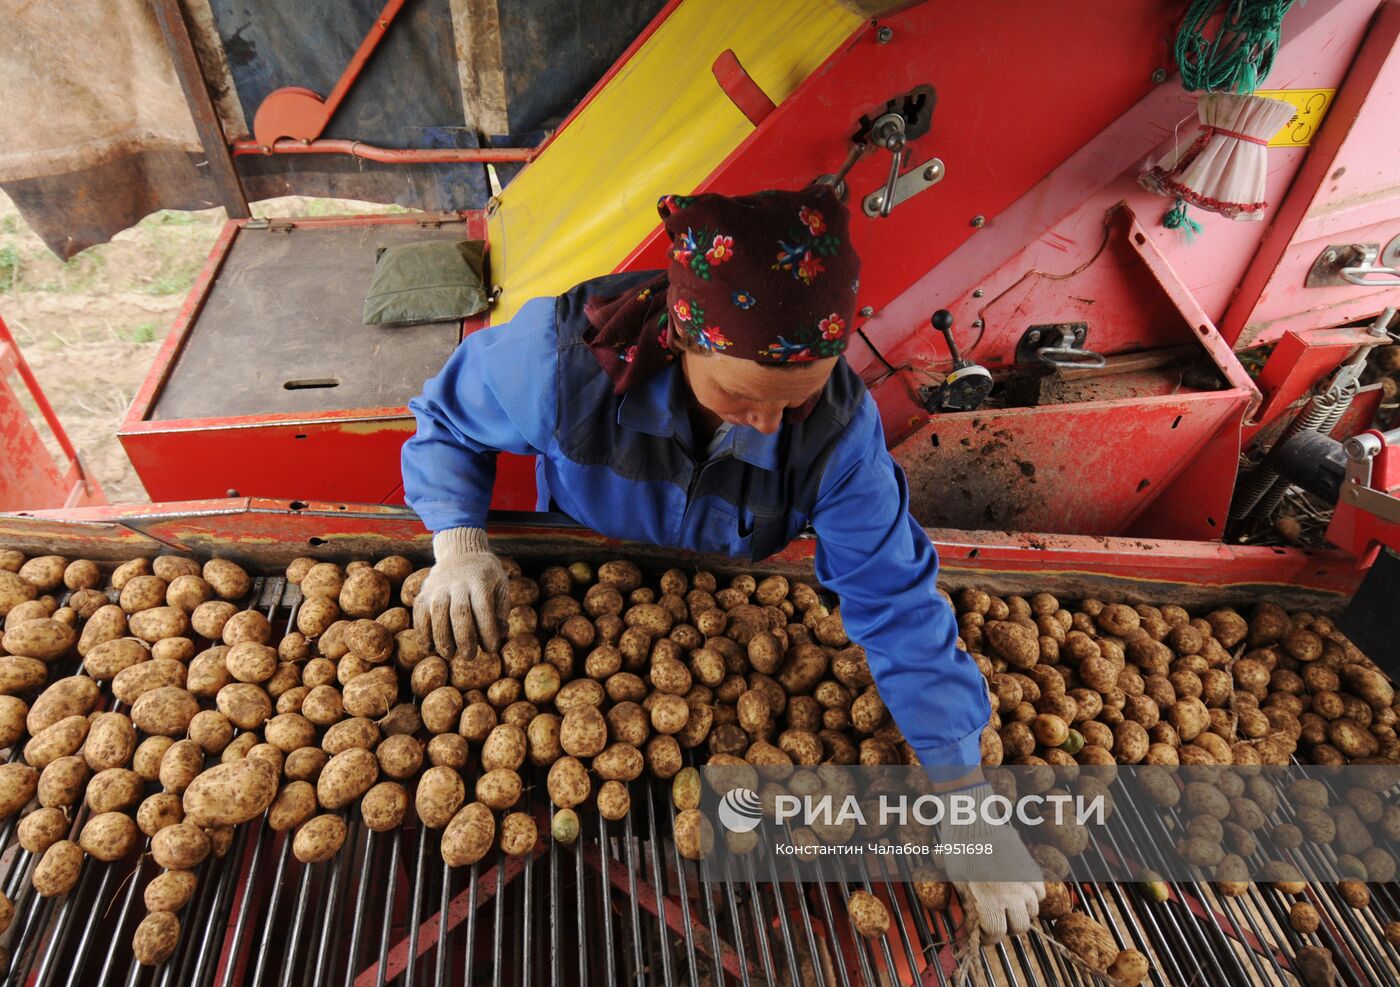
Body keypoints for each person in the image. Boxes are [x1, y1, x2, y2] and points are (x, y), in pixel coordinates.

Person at [401, 186, 1043, 939]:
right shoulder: (562, 360)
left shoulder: (838, 433)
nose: (768, 425)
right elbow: (445, 420)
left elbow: (896, 600)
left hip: (725, 586)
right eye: (742, 398)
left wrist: (965, 797)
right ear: (681, 337)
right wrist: (458, 541)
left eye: (792, 403)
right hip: (589, 554)